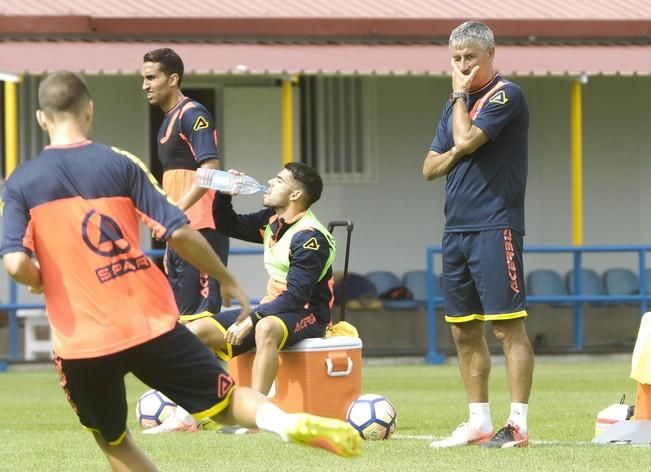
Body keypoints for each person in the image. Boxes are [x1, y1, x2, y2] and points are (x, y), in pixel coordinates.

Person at [0, 71, 361, 471]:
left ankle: (241, 415)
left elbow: (15, 263)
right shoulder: (122, 164)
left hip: (82, 336)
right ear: (89, 110)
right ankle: (279, 420)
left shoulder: (20, 183)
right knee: (225, 401)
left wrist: (41, 281)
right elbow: (181, 230)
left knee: (115, 441)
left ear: (39, 118)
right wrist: (226, 278)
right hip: (146, 319)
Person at [422, 21, 533, 449]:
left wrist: (457, 98)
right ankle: (478, 422)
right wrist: (456, 139)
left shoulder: (506, 94)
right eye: (456, 58)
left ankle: (518, 424)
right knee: (464, 330)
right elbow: (428, 168)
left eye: (470, 57)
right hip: (457, 230)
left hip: (495, 224)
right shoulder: (455, 105)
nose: (463, 65)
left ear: (490, 55)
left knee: (507, 328)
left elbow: (466, 138)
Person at [185, 163, 336, 397]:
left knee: (265, 328)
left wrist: (253, 319)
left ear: (295, 194)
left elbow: (296, 297)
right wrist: (224, 194)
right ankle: (198, 409)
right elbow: (227, 225)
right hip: (273, 309)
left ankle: (256, 414)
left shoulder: (310, 239)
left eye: (278, 180)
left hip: (309, 314)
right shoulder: (272, 220)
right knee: (195, 331)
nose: (270, 183)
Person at [142, 47, 229, 315]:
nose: (145, 85)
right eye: (144, 78)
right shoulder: (169, 119)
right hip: (181, 233)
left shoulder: (193, 114)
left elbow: (210, 168)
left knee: (202, 320)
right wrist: (170, 237)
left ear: (173, 79)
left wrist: (176, 211)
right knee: (182, 316)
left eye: (151, 78)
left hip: (201, 231)